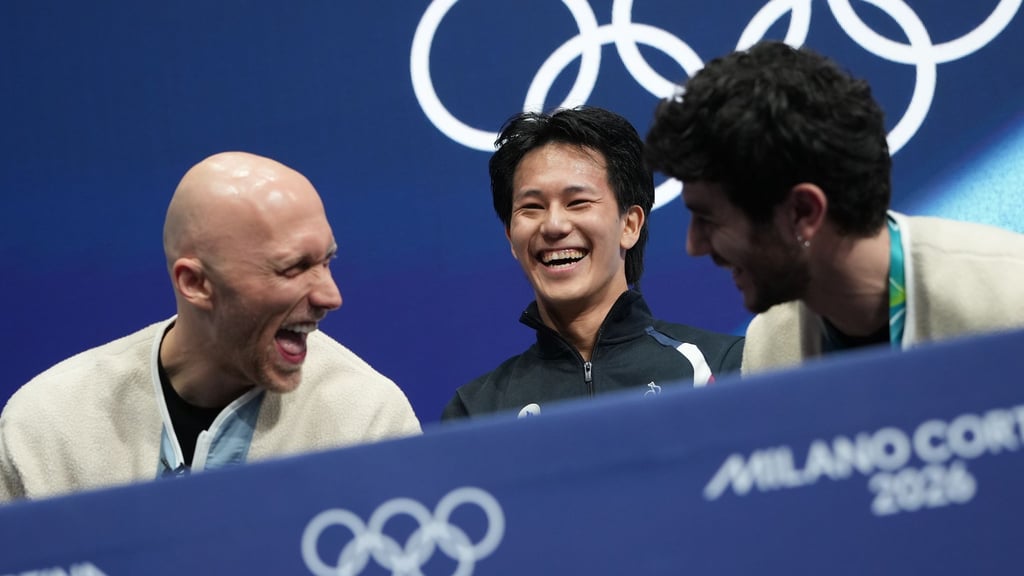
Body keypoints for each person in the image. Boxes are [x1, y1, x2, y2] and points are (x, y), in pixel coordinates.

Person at [0, 151, 421, 502]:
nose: (331, 296)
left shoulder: (368, 423)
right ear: (196, 283)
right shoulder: (47, 425)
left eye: (327, 261)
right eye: (295, 268)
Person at [644, 40, 1024, 375]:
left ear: (803, 213)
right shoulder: (770, 348)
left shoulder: (1011, 300)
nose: (694, 245)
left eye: (707, 219)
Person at [443, 106, 744, 420]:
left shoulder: (721, 368)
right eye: (532, 207)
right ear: (510, 237)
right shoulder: (476, 410)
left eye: (578, 202)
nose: (554, 225)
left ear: (629, 225)